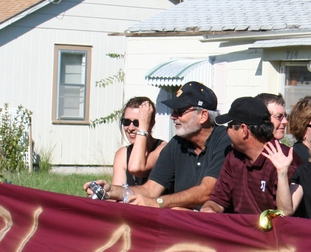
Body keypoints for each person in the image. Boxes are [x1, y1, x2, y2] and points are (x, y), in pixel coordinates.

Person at [85, 81, 231, 210]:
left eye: (179, 111)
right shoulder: (177, 144)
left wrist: (158, 202)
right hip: (183, 224)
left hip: (215, 226)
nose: (172, 116)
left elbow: (207, 191)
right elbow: (150, 189)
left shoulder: (225, 142)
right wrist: (110, 191)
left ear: (203, 116)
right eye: (126, 122)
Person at [200, 97, 298, 214]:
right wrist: (209, 209)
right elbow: (218, 200)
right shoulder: (233, 156)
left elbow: (284, 213)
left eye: (230, 126)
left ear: (244, 130)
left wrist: (282, 172)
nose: (226, 131)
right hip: (238, 226)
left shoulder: (283, 159)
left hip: (272, 226)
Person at [111, 97, 166, 187]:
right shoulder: (122, 154)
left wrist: (142, 130)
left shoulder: (163, 149)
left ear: (151, 124)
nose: (130, 128)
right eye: (126, 122)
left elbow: (136, 168)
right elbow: (117, 191)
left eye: (137, 123)